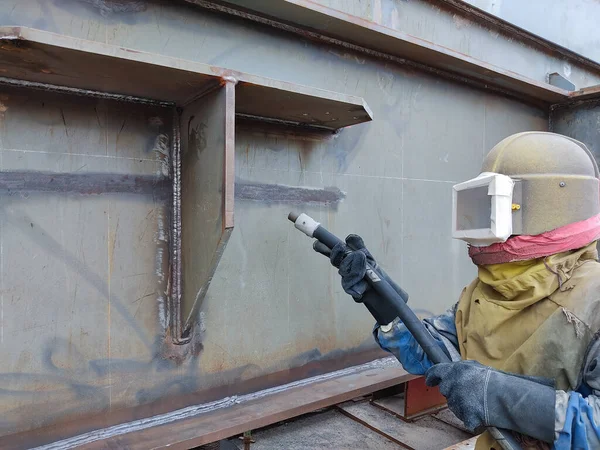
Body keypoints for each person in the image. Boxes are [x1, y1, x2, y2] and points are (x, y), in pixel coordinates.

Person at [329, 132, 600, 450]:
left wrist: (497, 395)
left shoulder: (591, 302)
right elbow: (439, 357)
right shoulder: (486, 290)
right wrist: (383, 302)